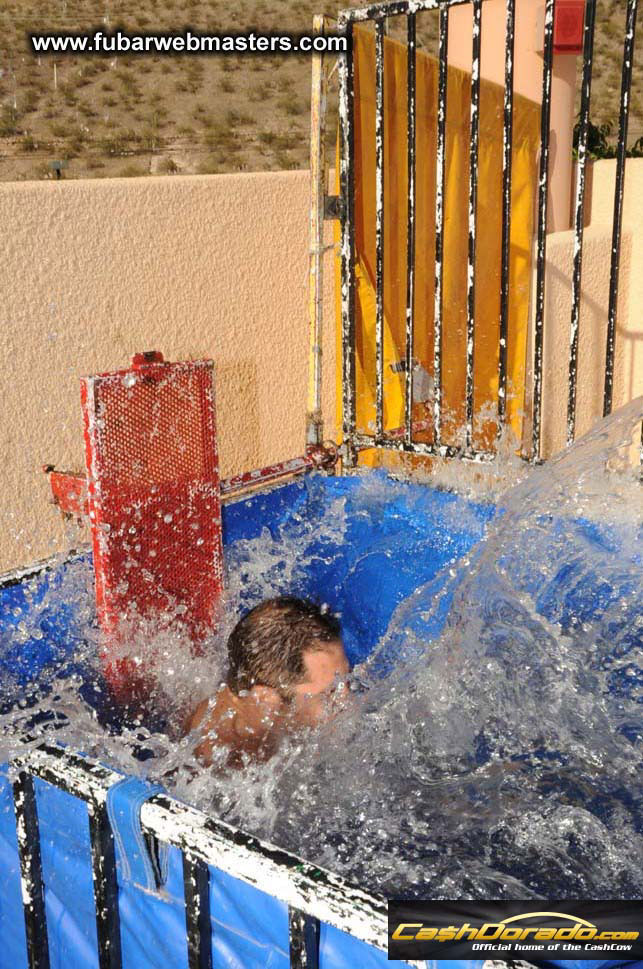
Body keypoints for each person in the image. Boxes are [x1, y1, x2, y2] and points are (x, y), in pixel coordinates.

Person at [184, 596, 350, 769]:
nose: (347, 702)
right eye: (329, 694)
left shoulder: (267, 723)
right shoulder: (218, 758)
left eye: (347, 679)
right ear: (264, 702)